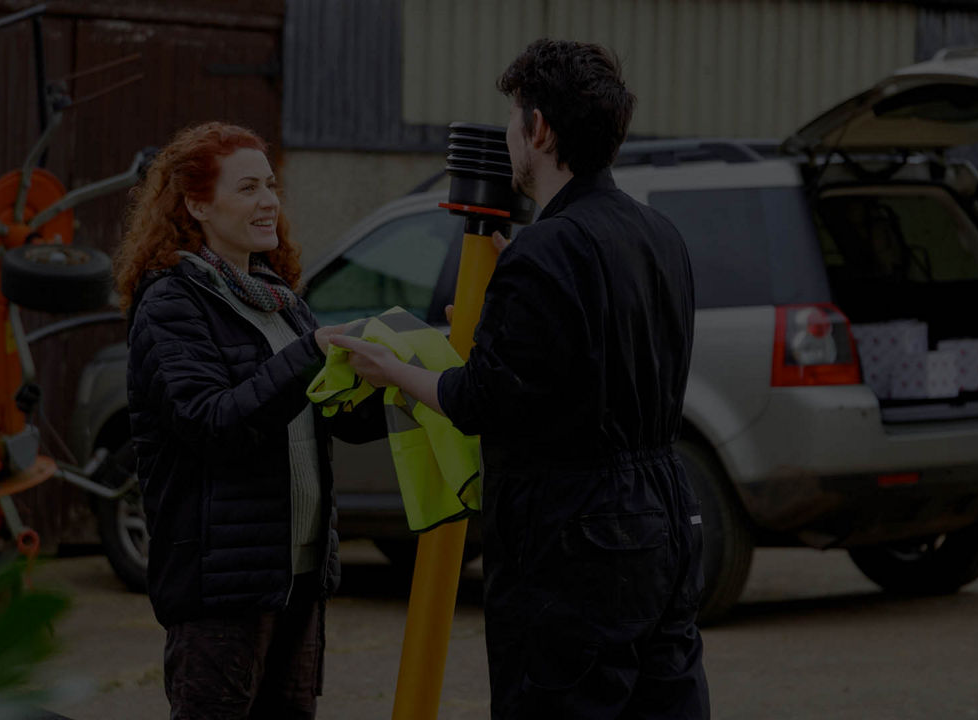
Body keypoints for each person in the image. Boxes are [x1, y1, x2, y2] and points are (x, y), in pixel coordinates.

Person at [331, 40, 709, 718]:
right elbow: (591, 347)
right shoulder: (659, 233)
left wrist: (393, 370)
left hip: (575, 535)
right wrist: (520, 274)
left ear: (538, 129)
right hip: (666, 516)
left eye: (514, 118)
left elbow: (483, 401)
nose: (510, 134)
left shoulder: (547, 251)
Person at [114, 121, 380, 720]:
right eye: (248, 189)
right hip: (221, 589)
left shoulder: (280, 299)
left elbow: (334, 417)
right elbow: (214, 425)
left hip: (299, 577)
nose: (268, 203)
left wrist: (395, 384)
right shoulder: (171, 303)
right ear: (197, 203)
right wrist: (310, 353)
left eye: (270, 186)